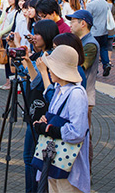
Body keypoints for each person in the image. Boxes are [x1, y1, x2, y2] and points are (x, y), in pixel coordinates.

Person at [10, 19, 59, 193]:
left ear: (46, 35)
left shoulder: (51, 58)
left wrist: (29, 63)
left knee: (32, 159)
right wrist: (19, 50)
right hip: (34, 113)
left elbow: (38, 83)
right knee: (29, 158)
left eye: (37, 33)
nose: (33, 36)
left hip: (42, 115)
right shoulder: (41, 55)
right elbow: (29, 77)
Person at [34, 45, 90, 193]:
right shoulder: (59, 89)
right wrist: (45, 121)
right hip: (55, 161)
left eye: (52, 67)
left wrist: (51, 129)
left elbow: (78, 132)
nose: (49, 70)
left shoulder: (76, 94)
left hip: (69, 166)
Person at [66, 10, 99, 166]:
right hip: (78, 94)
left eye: (73, 21)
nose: (70, 25)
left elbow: (79, 67)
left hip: (85, 95)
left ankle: (86, 170)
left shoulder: (90, 44)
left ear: (83, 23)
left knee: (84, 136)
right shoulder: (81, 41)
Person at [0, 0, 22, 90]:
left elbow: (11, 25)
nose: (10, 0)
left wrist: (0, 33)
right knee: (5, 60)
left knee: (10, 60)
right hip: (1, 35)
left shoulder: (17, 11)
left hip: (8, 37)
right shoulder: (7, 9)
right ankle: (7, 81)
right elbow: (0, 21)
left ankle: (11, 81)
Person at [86, 0, 111, 76]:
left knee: (94, 51)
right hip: (104, 30)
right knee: (104, 48)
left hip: (94, 31)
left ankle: (95, 69)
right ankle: (106, 64)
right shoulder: (105, 3)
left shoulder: (90, 5)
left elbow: (87, 18)